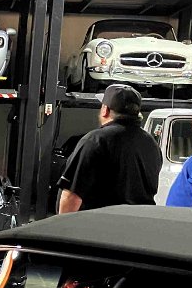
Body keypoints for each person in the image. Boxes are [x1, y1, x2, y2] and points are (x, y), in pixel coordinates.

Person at [56, 83, 163, 213]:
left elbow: (72, 196)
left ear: (105, 110)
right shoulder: (151, 144)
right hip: (139, 222)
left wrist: (62, 224)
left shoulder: (95, 141)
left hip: (100, 223)